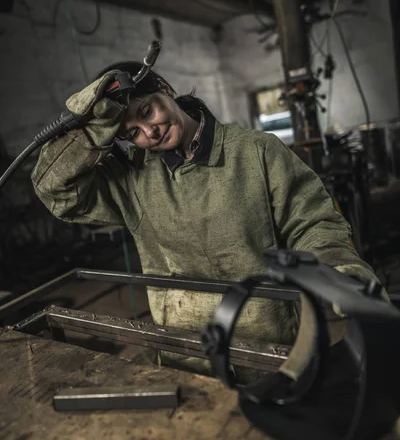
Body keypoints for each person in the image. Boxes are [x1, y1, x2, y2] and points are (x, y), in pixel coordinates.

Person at [32, 61, 381, 376]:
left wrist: (340, 272)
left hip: (270, 350)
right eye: (131, 132)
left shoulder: (257, 152)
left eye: (147, 111)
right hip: (183, 355)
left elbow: (312, 223)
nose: (148, 134)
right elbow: (56, 193)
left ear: (166, 90)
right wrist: (90, 133)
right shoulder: (131, 178)